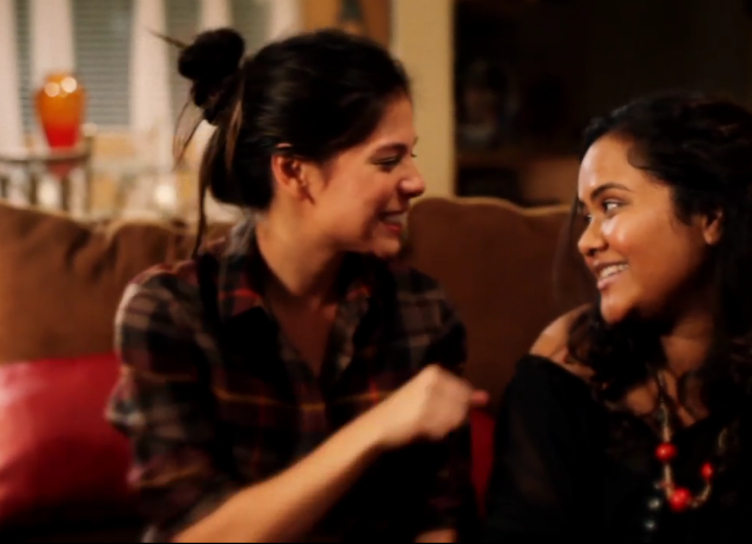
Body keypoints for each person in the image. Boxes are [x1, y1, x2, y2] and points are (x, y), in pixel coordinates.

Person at [107, 28, 487, 543]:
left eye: (410, 156)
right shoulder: (169, 311)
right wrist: (377, 428)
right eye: (387, 160)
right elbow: (192, 534)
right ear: (293, 171)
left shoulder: (423, 311)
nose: (416, 181)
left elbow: (439, 523)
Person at [480, 92, 752, 542]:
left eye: (610, 206)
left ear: (710, 214)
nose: (586, 241)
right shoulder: (567, 369)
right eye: (586, 215)